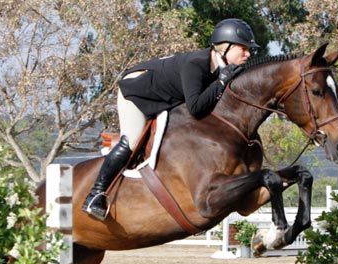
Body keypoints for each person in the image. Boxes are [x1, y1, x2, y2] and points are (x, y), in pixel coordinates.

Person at [82, 18, 259, 221]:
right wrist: (221, 80)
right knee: (131, 140)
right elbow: (196, 107)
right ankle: (95, 194)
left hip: (166, 98)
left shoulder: (222, 68)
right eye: (243, 49)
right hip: (137, 93)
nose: (248, 54)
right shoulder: (197, 64)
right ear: (224, 48)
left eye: (249, 49)